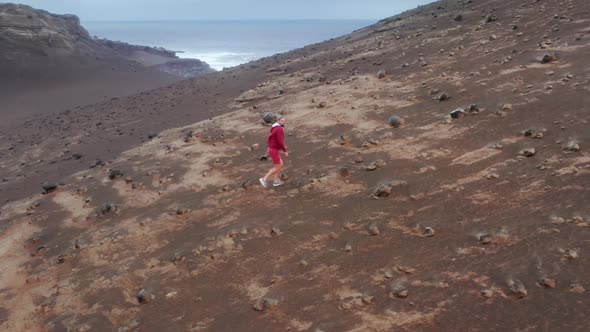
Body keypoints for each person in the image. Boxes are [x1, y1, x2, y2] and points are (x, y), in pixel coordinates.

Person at [260, 117, 288, 187]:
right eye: (282, 121)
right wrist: (285, 150)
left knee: (280, 164)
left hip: (272, 149)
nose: (283, 122)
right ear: (278, 121)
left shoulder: (274, 127)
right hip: (273, 150)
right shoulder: (279, 129)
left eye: (284, 121)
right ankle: (264, 179)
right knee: (277, 166)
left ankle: (276, 181)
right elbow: (280, 141)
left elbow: (273, 139)